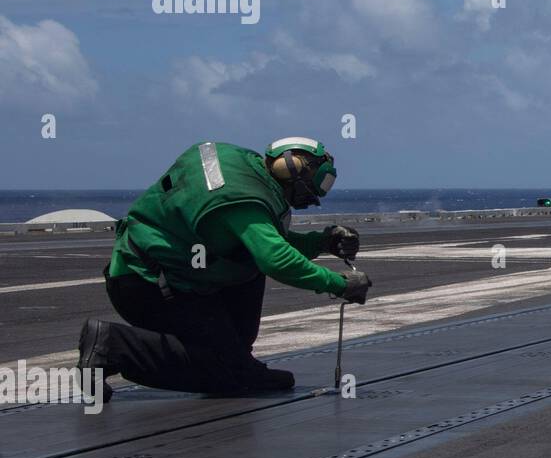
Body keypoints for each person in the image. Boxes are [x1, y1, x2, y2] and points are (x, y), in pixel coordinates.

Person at [76, 137, 372, 399]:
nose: (314, 196)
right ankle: (112, 346)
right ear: (290, 170)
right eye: (315, 184)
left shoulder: (244, 168)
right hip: (149, 286)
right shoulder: (242, 199)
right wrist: (340, 284)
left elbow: (264, 239)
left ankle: (238, 360)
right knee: (225, 375)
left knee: (246, 264)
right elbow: (276, 258)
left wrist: (323, 243)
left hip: (170, 278)